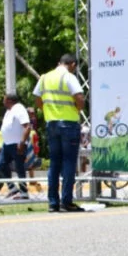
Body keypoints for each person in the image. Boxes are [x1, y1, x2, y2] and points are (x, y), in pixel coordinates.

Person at [32, 54, 85, 212]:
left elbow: (37, 99)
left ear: (58, 63)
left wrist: (47, 111)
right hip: (68, 124)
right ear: (73, 65)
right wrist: (78, 108)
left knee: (54, 163)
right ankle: (66, 201)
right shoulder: (69, 77)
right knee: (68, 162)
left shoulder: (45, 77)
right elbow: (79, 98)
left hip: (51, 123)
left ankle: (53, 203)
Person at [0, 93, 32, 199]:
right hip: (7, 144)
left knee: (19, 168)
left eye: (4, 100)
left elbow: (27, 127)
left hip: (17, 144)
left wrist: (22, 143)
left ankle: (24, 192)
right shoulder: (9, 111)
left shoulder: (19, 109)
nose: (3, 102)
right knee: (1, 165)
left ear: (10, 101)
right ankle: (12, 188)